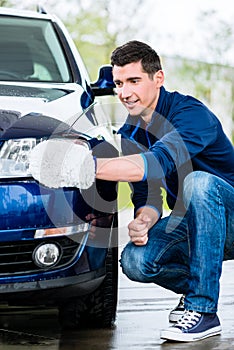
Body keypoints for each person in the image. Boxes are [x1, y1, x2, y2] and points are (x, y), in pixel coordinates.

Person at [30, 40, 234, 343]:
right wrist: (144, 220)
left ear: (158, 79)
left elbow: (156, 163)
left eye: (134, 81)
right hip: (191, 225)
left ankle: (202, 310)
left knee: (198, 183)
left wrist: (81, 166)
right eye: (119, 83)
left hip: (228, 218)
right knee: (136, 261)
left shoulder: (191, 115)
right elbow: (147, 195)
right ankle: (196, 290)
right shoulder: (130, 133)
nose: (124, 93)